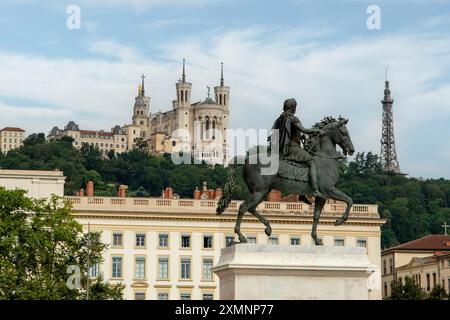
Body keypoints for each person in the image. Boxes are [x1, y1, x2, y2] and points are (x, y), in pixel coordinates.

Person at [271, 98, 326, 199]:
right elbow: (303, 130)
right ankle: (315, 190)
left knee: (302, 166)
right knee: (312, 161)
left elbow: (285, 134)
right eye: (295, 107)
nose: (296, 109)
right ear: (292, 107)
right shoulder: (292, 118)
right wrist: (318, 131)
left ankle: (302, 193)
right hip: (293, 148)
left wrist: (300, 137)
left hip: (283, 148)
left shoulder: (280, 119)